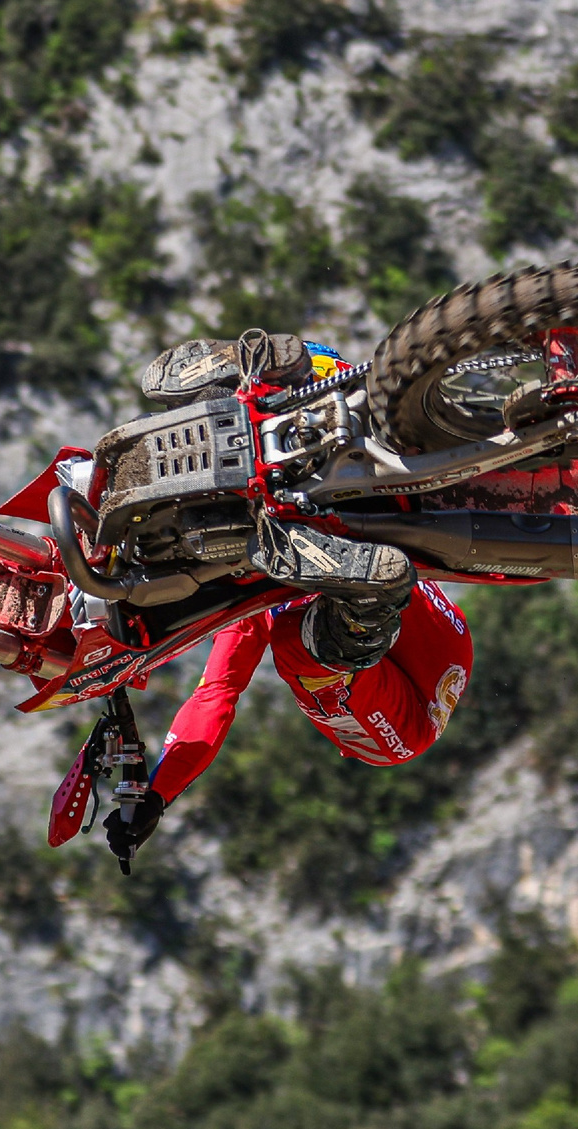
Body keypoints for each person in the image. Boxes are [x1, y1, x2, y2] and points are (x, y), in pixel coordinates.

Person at [103, 341, 475, 861]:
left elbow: (216, 697)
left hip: (421, 630)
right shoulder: (246, 615)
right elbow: (215, 698)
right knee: (291, 641)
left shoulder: (244, 593)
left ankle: (278, 380)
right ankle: (361, 593)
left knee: (322, 495)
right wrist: (159, 794)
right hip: (404, 721)